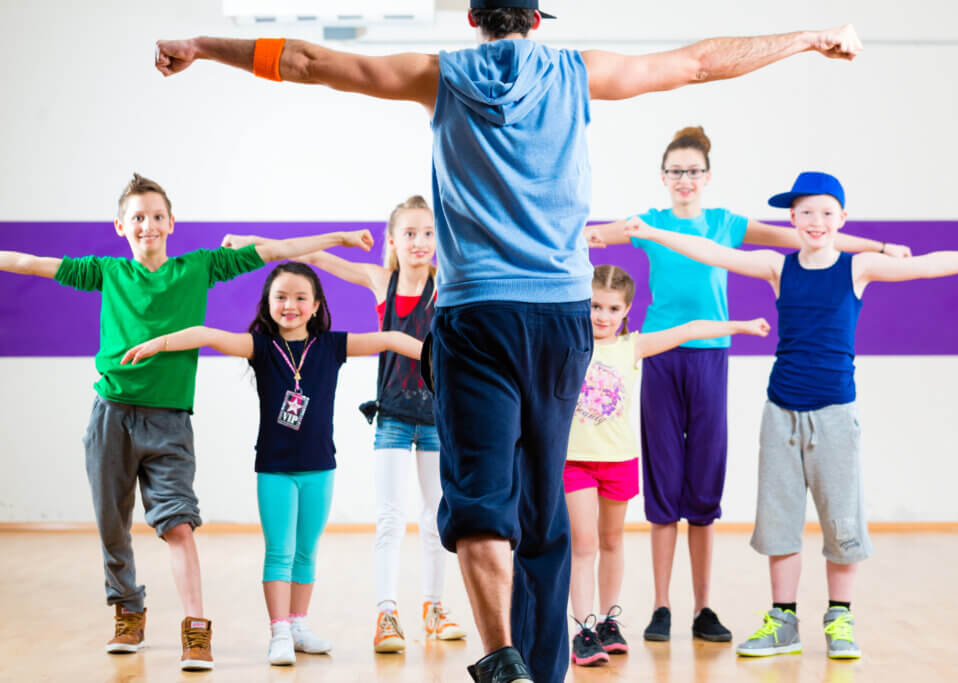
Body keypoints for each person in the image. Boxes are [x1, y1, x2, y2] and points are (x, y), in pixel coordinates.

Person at [154, 6, 866, 681]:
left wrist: (204, 47)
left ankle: (501, 660)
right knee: (542, 506)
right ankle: (541, 667)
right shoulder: (576, 71)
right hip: (561, 319)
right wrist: (809, 38)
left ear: (472, 18)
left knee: (478, 500)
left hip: (476, 315)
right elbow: (701, 63)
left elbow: (309, 60)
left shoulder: (441, 74)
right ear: (534, 20)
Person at [624, 171, 958, 660]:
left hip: (834, 412)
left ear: (842, 219)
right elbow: (716, 254)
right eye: (806, 213)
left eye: (826, 213)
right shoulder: (777, 266)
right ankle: (783, 621)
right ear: (792, 220)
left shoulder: (858, 268)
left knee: (842, 521)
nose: (816, 221)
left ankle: (840, 618)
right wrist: (656, 232)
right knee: (780, 521)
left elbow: (925, 266)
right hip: (781, 412)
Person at [0, 173, 373, 671]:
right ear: (120, 226)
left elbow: (278, 249)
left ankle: (196, 631)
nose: (148, 225)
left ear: (171, 223)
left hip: (170, 422)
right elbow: (32, 264)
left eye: (157, 216)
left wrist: (339, 238)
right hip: (110, 414)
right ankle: (128, 609)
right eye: (137, 217)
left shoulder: (199, 267)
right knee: (113, 525)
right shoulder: (105, 272)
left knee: (178, 525)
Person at [585, 126, 911, 644]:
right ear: (664, 177)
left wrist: (879, 246)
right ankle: (662, 607)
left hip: (710, 358)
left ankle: (704, 608)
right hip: (661, 357)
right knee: (664, 486)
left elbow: (807, 237)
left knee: (703, 488)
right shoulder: (648, 224)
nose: (685, 179)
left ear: (707, 176)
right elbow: (592, 236)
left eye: (693, 171)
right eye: (676, 172)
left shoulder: (727, 223)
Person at [121, 261, 423, 666]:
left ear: (316, 306)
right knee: (279, 551)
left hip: (320, 468)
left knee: (307, 552)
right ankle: (278, 630)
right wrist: (159, 342)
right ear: (268, 303)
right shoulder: (260, 347)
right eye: (281, 297)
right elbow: (208, 334)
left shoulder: (332, 346)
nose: (291, 305)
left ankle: (299, 624)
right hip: (275, 470)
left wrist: (438, 356)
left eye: (301, 298)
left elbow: (390, 338)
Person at [565, 264, 769, 667]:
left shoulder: (633, 347)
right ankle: (583, 629)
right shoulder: (567, 344)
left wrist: (742, 325)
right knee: (584, 545)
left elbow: (691, 329)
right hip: (575, 463)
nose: (601, 316)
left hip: (619, 462)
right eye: (594, 306)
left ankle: (609, 621)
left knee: (611, 542)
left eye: (611, 308)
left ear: (626, 311)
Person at [291, 196, 465, 652]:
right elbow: (313, 256)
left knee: (435, 518)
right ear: (392, 241)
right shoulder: (380, 281)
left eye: (428, 233)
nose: (420, 242)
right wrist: (256, 242)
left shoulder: (447, 284)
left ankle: (433, 607)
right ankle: (386, 615)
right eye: (409, 233)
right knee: (390, 518)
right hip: (391, 415)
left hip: (437, 417)